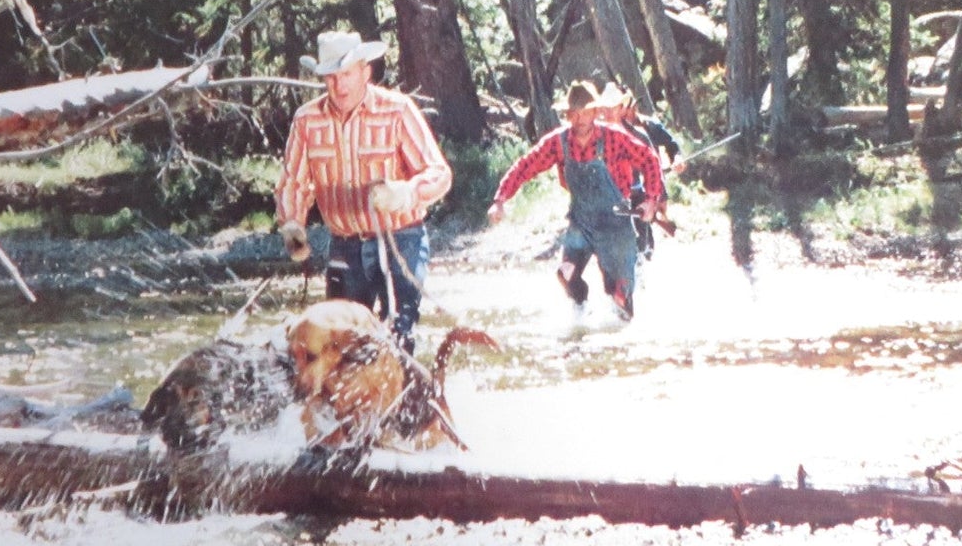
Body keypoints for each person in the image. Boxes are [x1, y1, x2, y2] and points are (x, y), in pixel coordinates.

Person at [276, 30, 452, 355]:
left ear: (365, 72)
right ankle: (350, 406)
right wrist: (292, 225)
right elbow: (294, 184)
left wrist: (405, 192)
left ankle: (398, 402)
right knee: (339, 344)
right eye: (331, 77)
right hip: (344, 245)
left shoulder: (397, 110)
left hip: (400, 239)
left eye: (346, 74)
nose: (339, 86)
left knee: (397, 336)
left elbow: (440, 174)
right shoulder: (306, 120)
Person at [486, 80, 664, 321]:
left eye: (586, 112)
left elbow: (649, 160)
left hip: (616, 223)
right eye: (575, 113)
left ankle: (623, 334)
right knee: (566, 273)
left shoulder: (615, 138)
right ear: (568, 115)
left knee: (620, 295)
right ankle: (581, 313)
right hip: (581, 221)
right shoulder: (558, 142)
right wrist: (500, 199)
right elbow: (525, 166)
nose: (581, 119)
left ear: (595, 112)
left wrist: (651, 200)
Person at [594, 83, 681, 259]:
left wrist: (658, 197)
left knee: (643, 246)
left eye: (616, 107)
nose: (610, 112)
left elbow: (654, 166)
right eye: (606, 108)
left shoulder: (642, 132)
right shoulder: (595, 137)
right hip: (610, 200)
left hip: (638, 196)